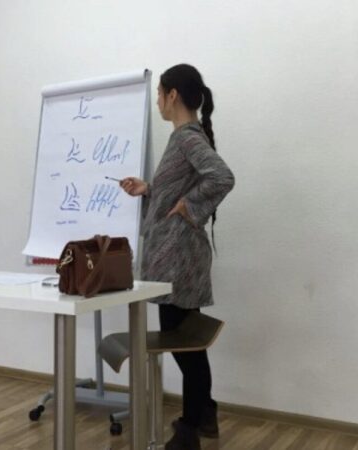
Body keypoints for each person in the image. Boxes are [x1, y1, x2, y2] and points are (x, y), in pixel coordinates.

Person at [120, 64, 235, 450]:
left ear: (172, 95)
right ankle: (205, 414)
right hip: (177, 258)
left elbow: (222, 177)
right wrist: (150, 188)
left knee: (186, 347)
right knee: (188, 344)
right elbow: (181, 186)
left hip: (179, 260)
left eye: (159, 94)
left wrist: (189, 205)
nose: (156, 101)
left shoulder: (186, 137)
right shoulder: (185, 137)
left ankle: (189, 429)